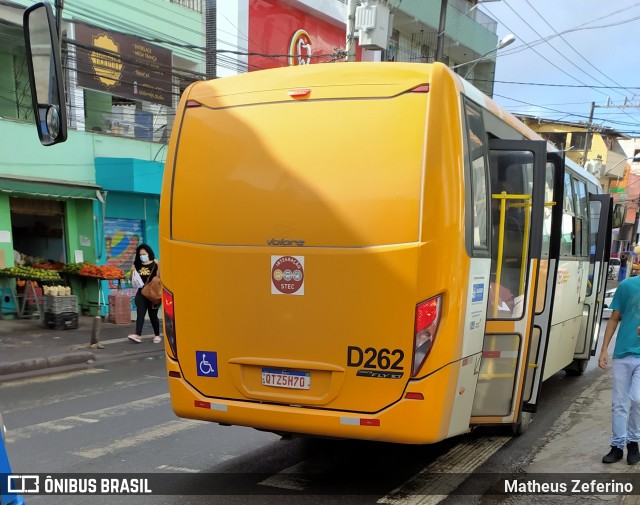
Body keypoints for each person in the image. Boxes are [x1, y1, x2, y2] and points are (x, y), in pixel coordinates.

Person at [598, 275, 640, 465]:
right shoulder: (628, 285)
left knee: (638, 400)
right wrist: (604, 349)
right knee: (618, 403)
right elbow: (614, 318)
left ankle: (633, 443)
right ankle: (617, 446)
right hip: (623, 352)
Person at [128, 244, 161, 344]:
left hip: (153, 294)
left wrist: (159, 265)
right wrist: (131, 271)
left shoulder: (155, 264)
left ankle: (157, 335)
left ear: (149, 253)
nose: (142, 256)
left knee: (153, 315)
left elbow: (160, 277)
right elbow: (132, 280)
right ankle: (138, 335)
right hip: (141, 293)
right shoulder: (137, 265)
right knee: (140, 313)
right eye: (140, 254)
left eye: (144, 254)